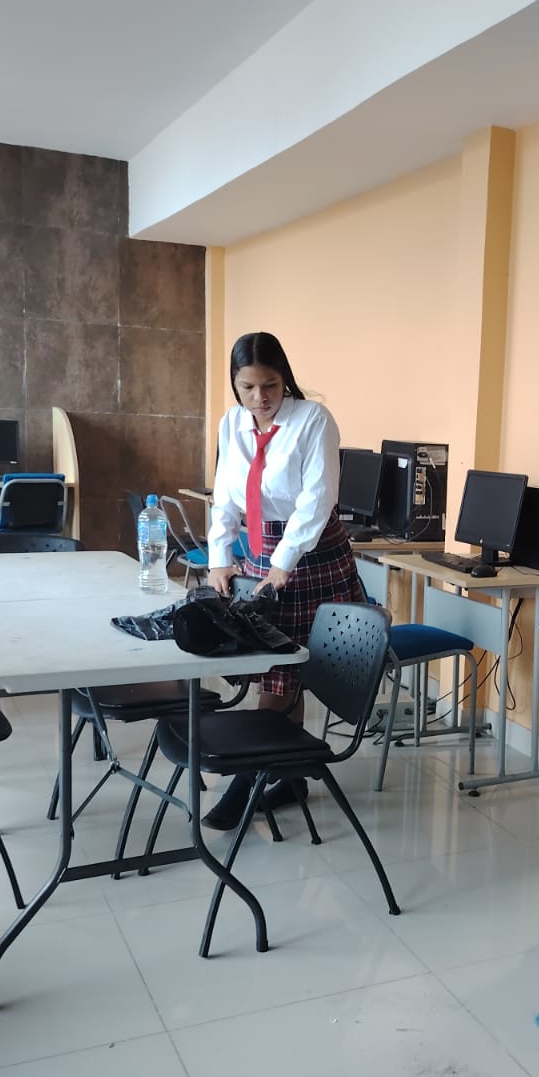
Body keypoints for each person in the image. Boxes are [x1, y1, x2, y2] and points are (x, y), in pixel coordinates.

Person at [201, 331, 365, 828]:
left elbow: (317, 499)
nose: (260, 398)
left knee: (280, 676)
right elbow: (226, 495)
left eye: (270, 385)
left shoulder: (312, 420)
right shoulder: (232, 424)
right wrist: (219, 556)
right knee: (275, 671)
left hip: (310, 555)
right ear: (235, 386)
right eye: (247, 388)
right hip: (260, 556)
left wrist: (284, 562)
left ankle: (247, 777)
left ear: (284, 378)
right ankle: (289, 776)